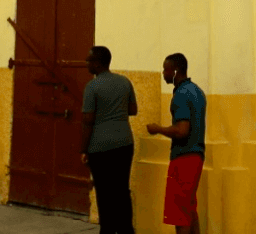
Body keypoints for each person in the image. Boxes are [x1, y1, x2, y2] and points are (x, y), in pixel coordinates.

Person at [81, 45, 138, 234]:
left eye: (89, 60)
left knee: (104, 192)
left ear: (97, 63)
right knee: (122, 190)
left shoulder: (92, 86)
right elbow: (133, 110)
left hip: (100, 147)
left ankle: (107, 230)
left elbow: (88, 121)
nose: (87, 63)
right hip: (124, 143)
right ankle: (126, 230)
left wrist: (83, 149)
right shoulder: (124, 82)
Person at [146, 53, 206, 234]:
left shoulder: (180, 95)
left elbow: (181, 130)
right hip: (197, 156)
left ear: (176, 71)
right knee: (189, 208)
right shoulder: (197, 91)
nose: (163, 73)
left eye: (166, 69)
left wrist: (158, 129)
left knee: (179, 213)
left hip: (183, 158)